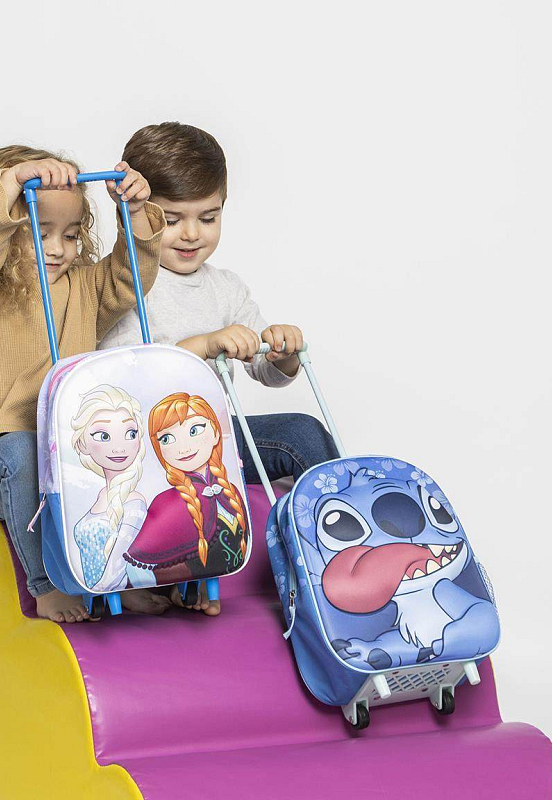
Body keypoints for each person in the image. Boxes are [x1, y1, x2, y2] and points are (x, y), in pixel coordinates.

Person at [100, 123, 339, 614]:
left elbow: (266, 371)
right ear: (135, 215)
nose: (192, 233)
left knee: (303, 432)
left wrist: (280, 351)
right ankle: (173, 577)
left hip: (218, 445)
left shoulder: (226, 287)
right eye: (171, 219)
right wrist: (204, 345)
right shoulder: (123, 287)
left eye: (208, 217)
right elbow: (130, 383)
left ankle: (336, 555)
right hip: (152, 453)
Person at [0, 144, 170, 622]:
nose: (59, 248)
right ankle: (49, 585)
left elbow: (130, 278)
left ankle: (120, 577)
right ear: (7, 230)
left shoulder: (82, 289)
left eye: (71, 234)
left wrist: (135, 212)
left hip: (67, 465)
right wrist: (11, 181)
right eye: (40, 234)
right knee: (23, 451)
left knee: (125, 453)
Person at [123, 393, 248, 608]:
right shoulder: (168, 501)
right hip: (178, 571)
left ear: (215, 432)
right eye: (167, 439)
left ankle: (203, 584)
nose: (184, 447)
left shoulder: (228, 489)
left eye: (194, 430)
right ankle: (178, 586)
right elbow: (138, 558)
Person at [70, 385, 148, 592]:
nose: (119, 447)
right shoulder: (101, 495)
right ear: (82, 444)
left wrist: (97, 590)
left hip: (108, 590)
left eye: (130, 433)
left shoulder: (134, 502)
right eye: (103, 436)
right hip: (94, 591)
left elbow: (118, 565)